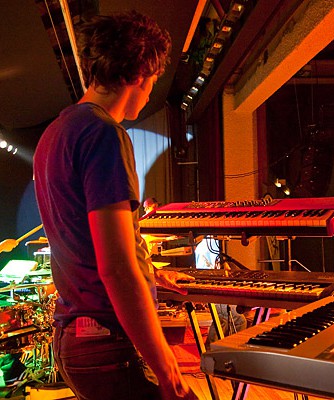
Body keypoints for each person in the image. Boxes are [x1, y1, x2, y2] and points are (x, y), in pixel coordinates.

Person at [33, 11, 197, 400]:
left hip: (75, 337)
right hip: (106, 340)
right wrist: (169, 371)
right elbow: (116, 269)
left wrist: (150, 273)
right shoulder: (104, 134)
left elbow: (82, 242)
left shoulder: (56, 133)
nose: (151, 90)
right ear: (139, 73)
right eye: (153, 80)